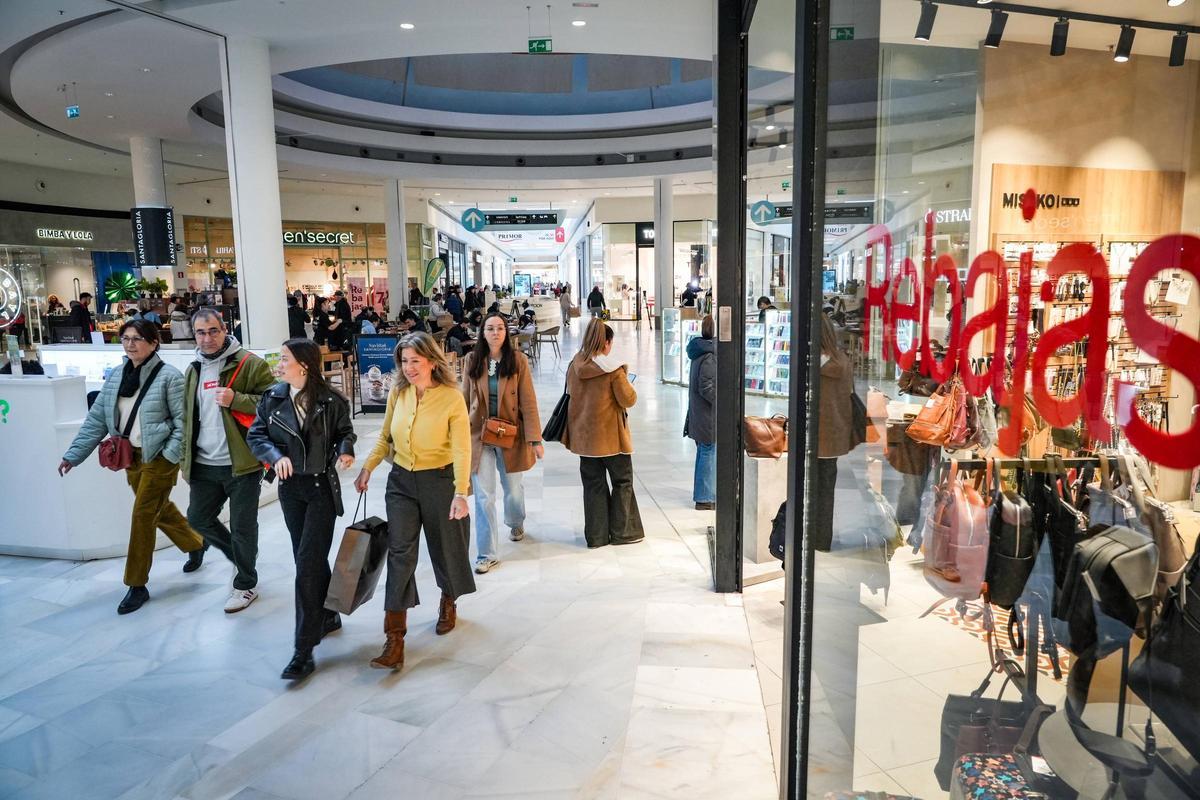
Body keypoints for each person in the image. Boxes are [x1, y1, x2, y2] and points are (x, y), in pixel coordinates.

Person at [58, 319, 205, 614]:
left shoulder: (169, 377)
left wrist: (170, 454)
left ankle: (136, 584)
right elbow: (97, 419)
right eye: (126, 338)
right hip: (130, 457)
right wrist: (73, 455)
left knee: (142, 515)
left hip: (159, 458)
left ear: (153, 343)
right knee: (156, 508)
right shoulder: (115, 377)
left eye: (137, 338)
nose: (130, 344)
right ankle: (195, 543)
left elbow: (184, 422)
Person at [354, 332, 475, 671]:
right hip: (402, 482)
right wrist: (368, 467)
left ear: (432, 362)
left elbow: (461, 448)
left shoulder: (452, 398)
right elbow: (385, 436)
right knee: (400, 555)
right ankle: (394, 638)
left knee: (446, 547)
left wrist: (461, 492)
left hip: (440, 480)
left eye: (415, 361)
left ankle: (448, 599)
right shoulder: (398, 392)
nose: (408, 368)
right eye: (404, 361)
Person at [247, 339, 356, 680]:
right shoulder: (273, 398)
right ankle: (326, 615)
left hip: (322, 488)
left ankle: (303, 649)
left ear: (304, 365)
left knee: (307, 565)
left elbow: (345, 432)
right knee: (306, 559)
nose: (279, 364)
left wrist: (345, 450)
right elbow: (257, 435)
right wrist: (274, 457)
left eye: (284, 359)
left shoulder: (331, 401)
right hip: (291, 490)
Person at [181, 308, 277, 612]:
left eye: (213, 331)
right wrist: (185, 459)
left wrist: (237, 399)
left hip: (243, 463)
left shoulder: (250, 364)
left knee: (243, 527)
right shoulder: (193, 369)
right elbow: (189, 417)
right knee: (197, 518)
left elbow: (276, 404)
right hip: (204, 464)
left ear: (225, 330)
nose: (207, 338)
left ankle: (246, 584)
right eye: (200, 332)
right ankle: (240, 559)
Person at [461, 313, 543, 573]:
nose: (495, 333)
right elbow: (463, 400)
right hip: (480, 436)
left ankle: (515, 521)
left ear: (506, 333)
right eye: (490, 328)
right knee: (484, 496)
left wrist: (535, 439)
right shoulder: (472, 361)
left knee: (513, 489)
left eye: (499, 328)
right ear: (482, 332)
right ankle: (487, 554)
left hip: (511, 435)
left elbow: (528, 402)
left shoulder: (518, 361)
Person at [560, 319, 643, 547]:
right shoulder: (613, 370)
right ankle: (623, 533)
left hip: (585, 441)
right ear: (606, 342)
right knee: (622, 481)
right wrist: (626, 378)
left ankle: (596, 536)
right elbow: (629, 399)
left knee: (593, 485)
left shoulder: (574, 365)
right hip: (611, 440)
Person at [813, 314, 855, 552]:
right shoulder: (843, 361)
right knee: (827, 490)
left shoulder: (813, 364)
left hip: (815, 437)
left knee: (811, 488)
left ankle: (810, 536)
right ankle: (822, 540)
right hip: (835, 435)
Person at [685, 315, 717, 510]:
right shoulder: (711, 355)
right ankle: (704, 497)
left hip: (700, 413)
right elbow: (707, 387)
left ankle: (704, 493)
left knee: (704, 451)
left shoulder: (699, 351)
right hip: (708, 415)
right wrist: (723, 401)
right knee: (708, 451)